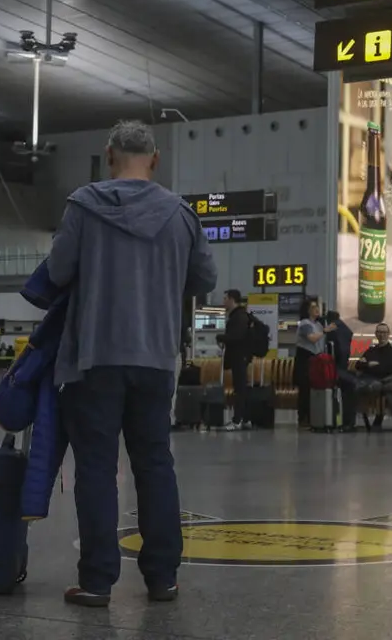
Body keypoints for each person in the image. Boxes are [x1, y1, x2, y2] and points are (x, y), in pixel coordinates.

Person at [46, 119, 217, 607]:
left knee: (97, 469)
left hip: (95, 356)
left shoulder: (83, 205)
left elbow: (58, 271)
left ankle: (98, 581)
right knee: (155, 464)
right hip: (156, 358)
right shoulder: (181, 214)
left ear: (108, 155)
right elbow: (204, 277)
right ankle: (163, 577)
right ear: (155, 160)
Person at [354, 324, 392, 431]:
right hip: (369, 381)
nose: (381, 335)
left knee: (388, 390)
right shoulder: (370, 351)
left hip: (382, 382)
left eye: (384, 332)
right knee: (388, 390)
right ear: (376, 334)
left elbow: (389, 370)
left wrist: (368, 365)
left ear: (388, 334)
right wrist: (369, 365)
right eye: (379, 332)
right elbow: (358, 365)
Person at [219, 289, 253, 431]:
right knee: (241, 387)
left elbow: (236, 337)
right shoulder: (240, 315)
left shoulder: (238, 317)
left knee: (239, 388)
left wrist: (221, 338)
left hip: (239, 356)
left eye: (225, 298)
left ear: (232, 299)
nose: (223, 301)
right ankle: (245, 419)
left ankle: (237, 419)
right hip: (241, 356)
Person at [294, 299, 328, 427]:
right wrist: (325, 331)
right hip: (305, 359)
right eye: (313, 307)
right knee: (305, 390)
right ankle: (303, 418)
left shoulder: (318, 324)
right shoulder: (304, 324)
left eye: (317, 307)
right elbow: (312, 338)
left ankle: (313, 416)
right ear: (307, 310)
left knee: (313, 389)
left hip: (316, 359)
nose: (316, 309)